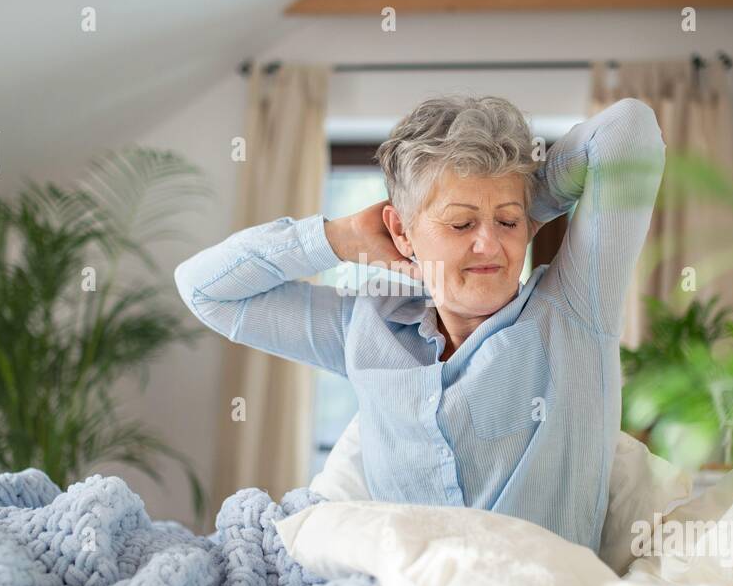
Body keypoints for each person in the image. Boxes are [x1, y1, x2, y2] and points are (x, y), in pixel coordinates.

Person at [175, 95, 665, 549]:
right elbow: (206, 291)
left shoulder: (574, 312)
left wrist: (528, 195)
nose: (490, 245)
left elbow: (629, 130)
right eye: (462, 223)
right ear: (401, 231)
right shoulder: (368, 328)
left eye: (509, 224)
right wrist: (341, 237)